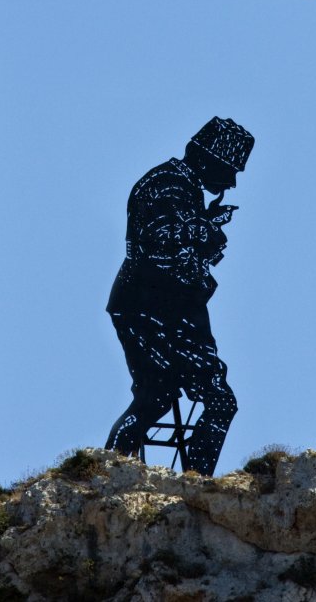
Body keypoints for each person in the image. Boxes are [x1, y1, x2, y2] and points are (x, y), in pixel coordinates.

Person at [104, 117, 254, 474]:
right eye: (229, 170)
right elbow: (164, 249)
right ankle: (109, 471)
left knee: (208, 400)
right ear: (206, 159)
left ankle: (189, 482)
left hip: (170, 309)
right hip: (151, 309)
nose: (231, 183)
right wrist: (208, 230)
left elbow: (179, 243)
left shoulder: (180, 188)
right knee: (162, 396)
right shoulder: (168, 186)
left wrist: (206, 225)